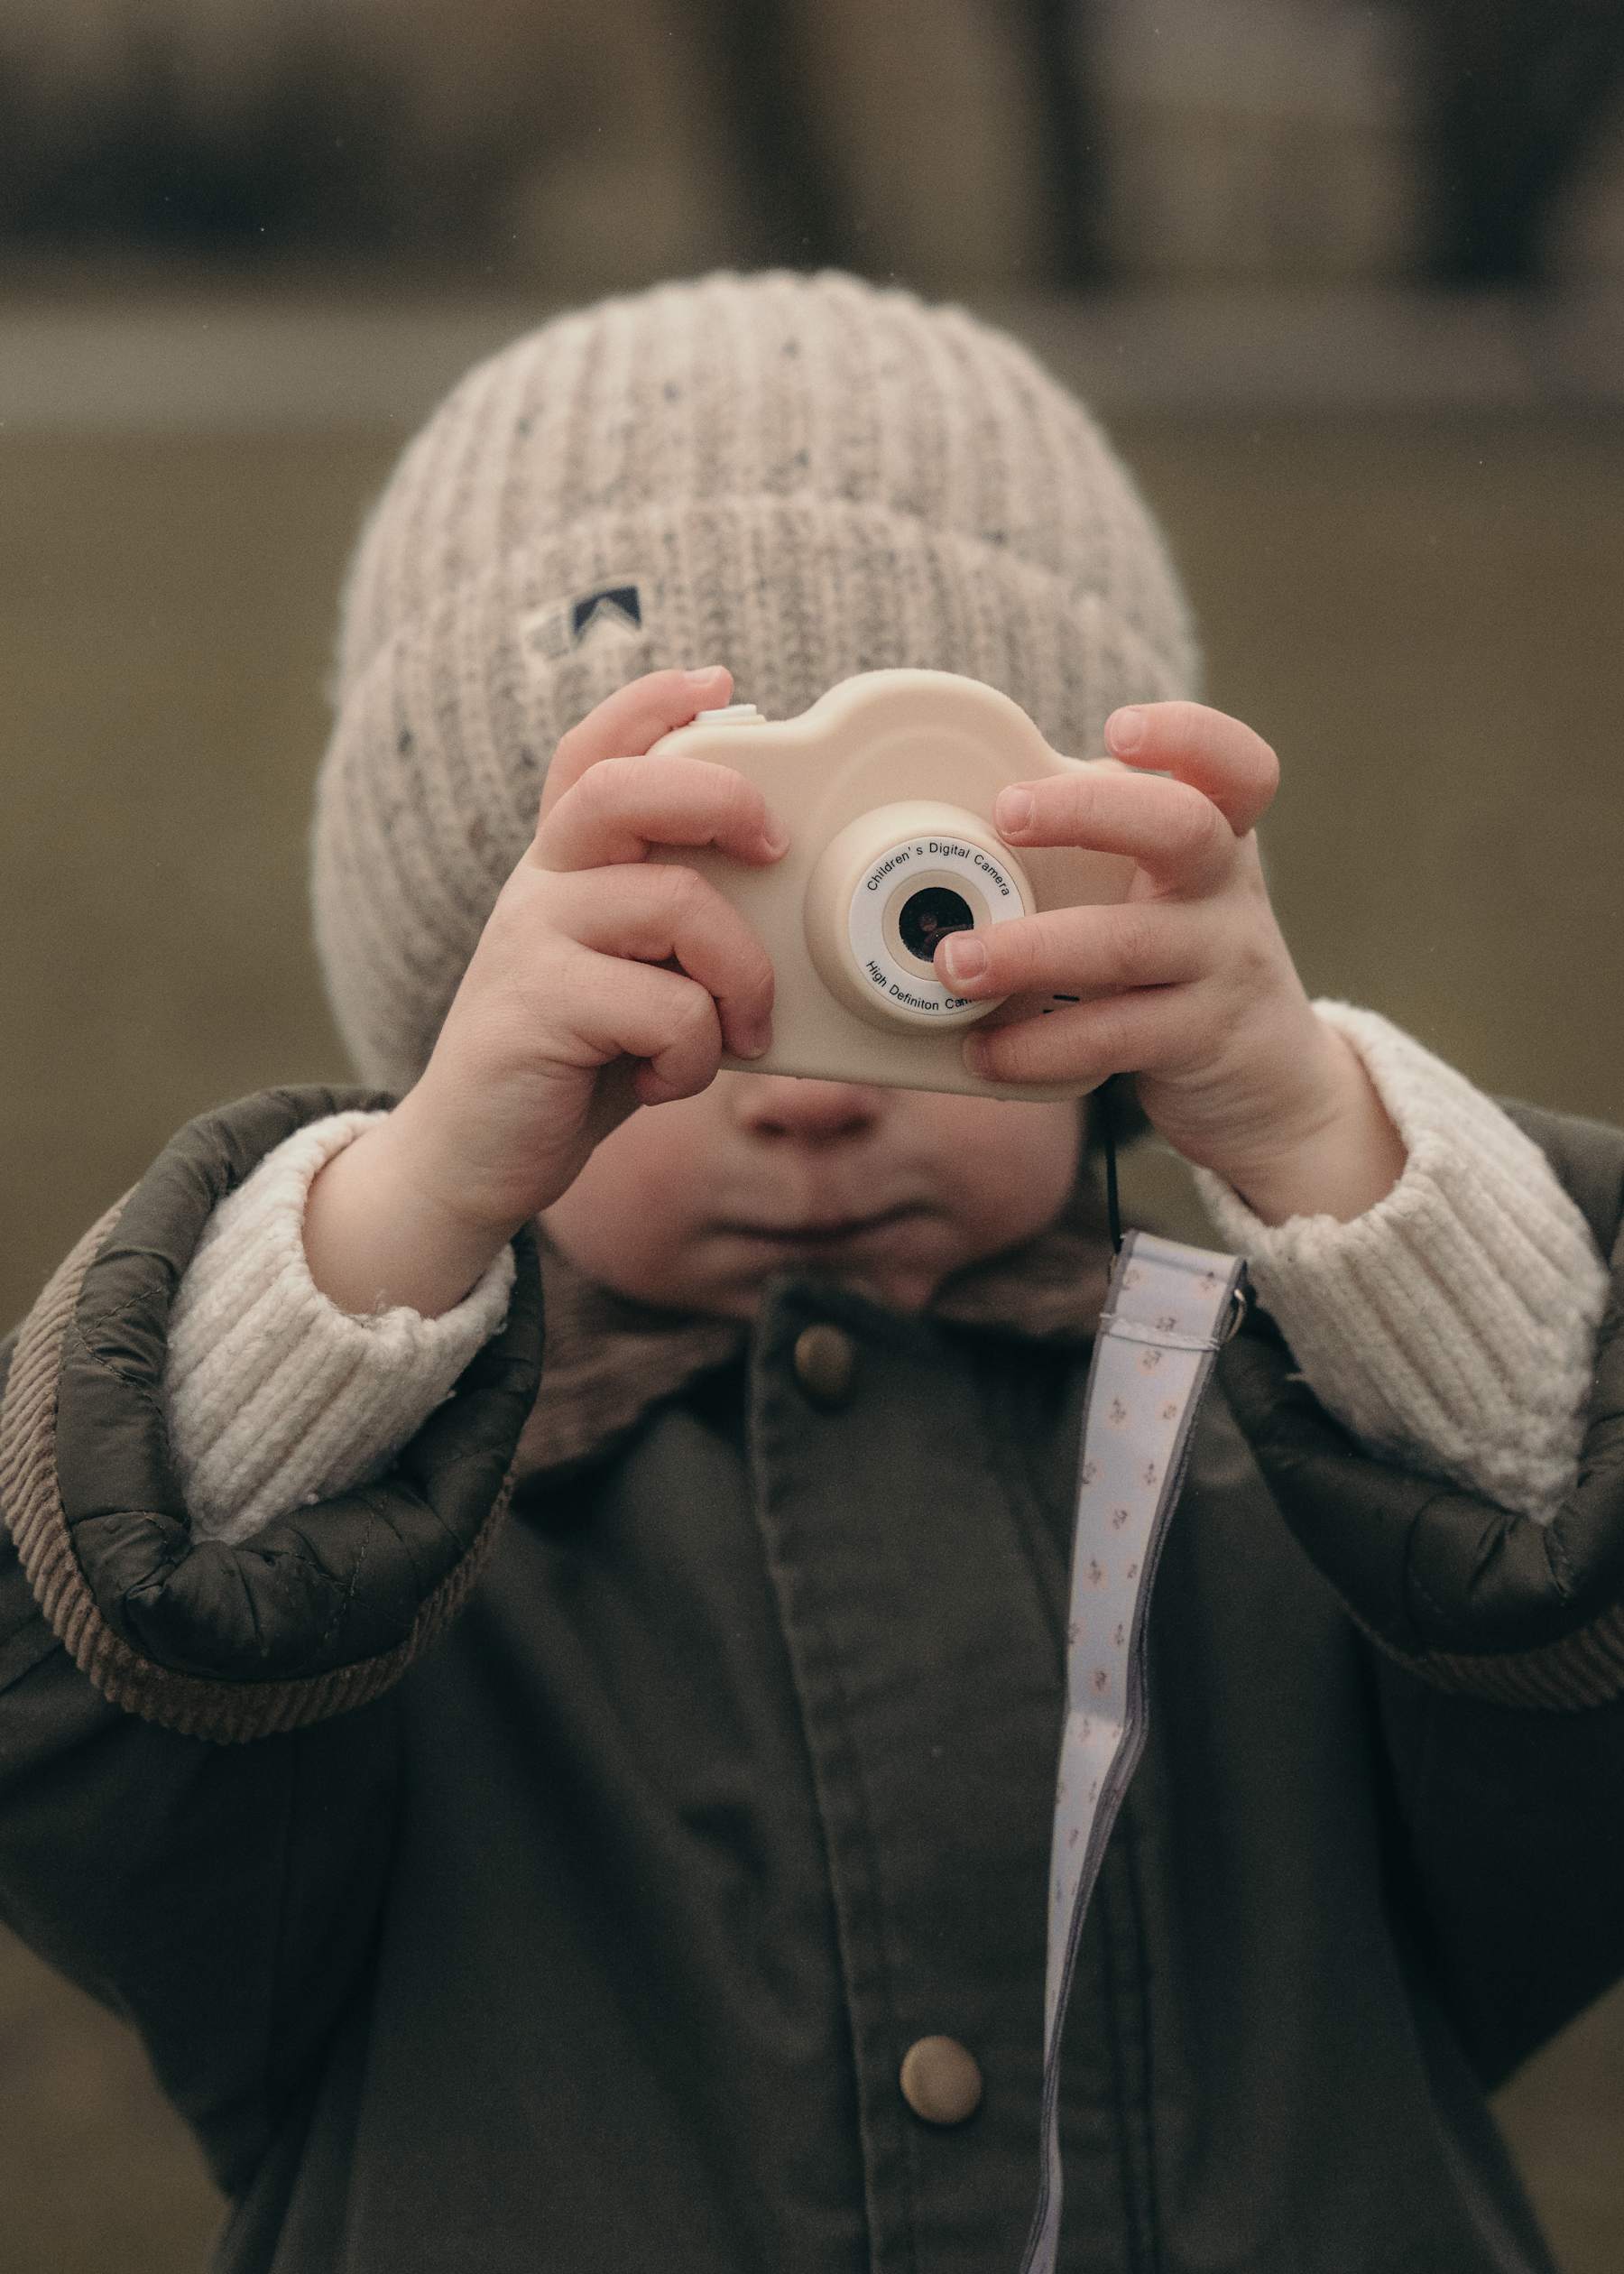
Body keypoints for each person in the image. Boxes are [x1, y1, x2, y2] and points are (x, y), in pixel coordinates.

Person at [1, 269, 1620, 2274]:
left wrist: (1332, 1153)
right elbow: (105, 1689)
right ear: (466, 1046)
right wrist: (390, 1228)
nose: (812, 1100)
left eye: (926, 937)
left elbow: (1566, 1586)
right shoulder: (371, 1579)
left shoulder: (1302, 1475)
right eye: (671, 981)